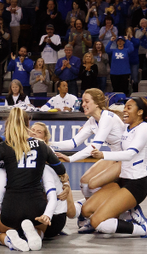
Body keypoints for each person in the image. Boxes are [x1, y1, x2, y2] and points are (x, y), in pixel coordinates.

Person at [0, 108, 68, 251]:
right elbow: (60, 169)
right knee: (40, 228)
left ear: (8, 124)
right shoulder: (41, 145)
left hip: (12, 207)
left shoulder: (4, 146)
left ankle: (9, 238)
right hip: (37, 205)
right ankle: (35, 234)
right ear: (28, 123)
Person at [80, 97, 147, 238]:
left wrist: (103, 155)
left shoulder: (143, 129)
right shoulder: (127, 128)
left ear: (140, 112)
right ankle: (128, 212)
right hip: (122, 180)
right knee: (86, 210)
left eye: (129, 107)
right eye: (124, 107)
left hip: (136, 184)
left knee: (97, 221)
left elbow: (130, 154)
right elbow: (111, 125)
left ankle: (145, 229)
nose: (125, 110)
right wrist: (92, 127)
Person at [51, 89, 125, 232]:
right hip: (113, 156)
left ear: (97, 103)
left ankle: (106, 211)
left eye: (86, 101)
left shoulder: (107, 117)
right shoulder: (92, 121)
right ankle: (92, 212)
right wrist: (47, 143)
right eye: (82, 101)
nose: (83, 104)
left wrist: (71, 158)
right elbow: (73, 142)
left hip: (125, 159)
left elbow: (94, 146)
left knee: (93, 184)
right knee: (84, 182)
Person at [30, 122, 77, 238]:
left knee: (71, 211)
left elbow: (63, 174)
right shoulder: (25, 149)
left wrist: (66, 185)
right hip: (43, 203)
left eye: (39, 132)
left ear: (45, 138)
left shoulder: (47, 152)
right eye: (33, 130)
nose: (34, 133)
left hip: (51, 207)